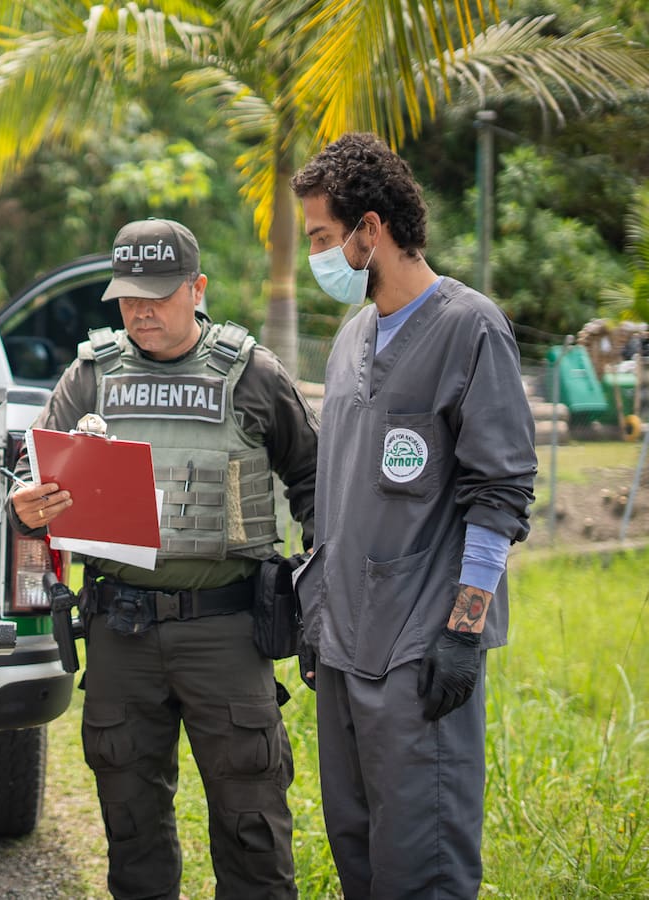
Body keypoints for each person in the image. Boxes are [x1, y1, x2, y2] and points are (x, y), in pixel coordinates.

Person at [6, 218, 319, 899]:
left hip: (227, 630)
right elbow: (27, 482)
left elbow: (315, 478)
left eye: (158, 295)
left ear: (197, 288)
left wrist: (322, 588)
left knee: (252, 823)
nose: (140, 311)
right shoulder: (90, 377)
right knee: (131, 822)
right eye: (127, 297)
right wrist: (25, 508)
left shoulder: (253, 374)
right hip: (122, 629)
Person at [289, 133, 537, 898]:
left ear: (372, 230)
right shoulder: (351, 337)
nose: (317, 258)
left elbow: (499, 493)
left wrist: (463, 633)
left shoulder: (470, 328)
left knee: (422, 864)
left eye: (324, 238)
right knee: (358, 853)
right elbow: (341, 494)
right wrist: (317, 614)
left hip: (419, 651)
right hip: (344, 647)